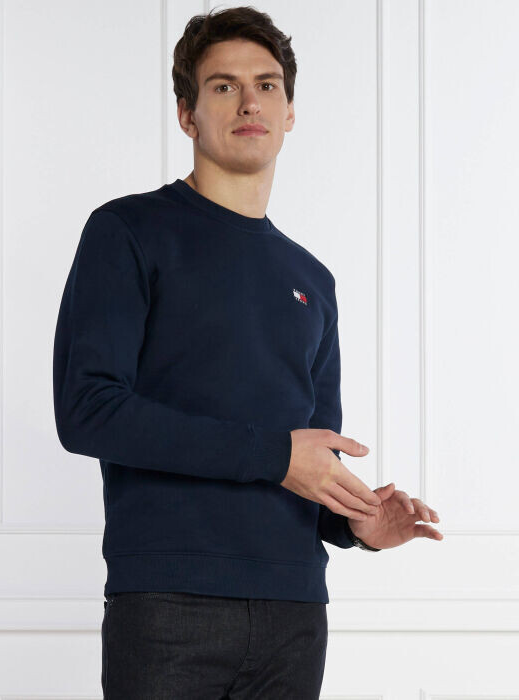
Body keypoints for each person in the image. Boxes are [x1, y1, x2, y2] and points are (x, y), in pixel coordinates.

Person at [52, 6, 443, 698]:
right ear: (187, 114)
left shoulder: (312, 280)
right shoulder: (129, 232)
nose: (249, 102)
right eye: (224, 86)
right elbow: (88, 411)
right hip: (169, 607)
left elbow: (310, 460)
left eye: (266, 85)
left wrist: (356, 524)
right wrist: (276, 456)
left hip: (295, 611)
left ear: (289, 113)